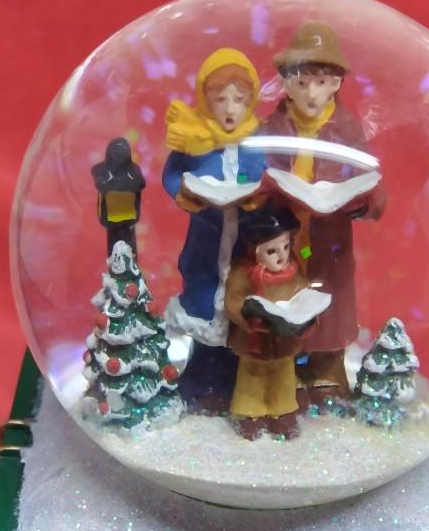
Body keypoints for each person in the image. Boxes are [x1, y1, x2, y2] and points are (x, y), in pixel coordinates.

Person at [262, 22, 385, 401]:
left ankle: (326, 371)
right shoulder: (272, 127)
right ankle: (283, 369)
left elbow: (368, 174)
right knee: (283, 294)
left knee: (330, 298)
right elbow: (253, 168)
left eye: (320, 82)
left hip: (328, 234)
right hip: (282, 233)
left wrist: (366, 197)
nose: (311, 93)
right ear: (286, 84)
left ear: (336, 84)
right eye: (301, 82)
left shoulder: (345, 129)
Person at [163, 48, 265, 408]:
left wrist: (256, 196)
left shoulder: (256, 144)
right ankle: (201, 379)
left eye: (238, 99)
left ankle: (235, 379)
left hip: (244, 244)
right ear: (205, 100)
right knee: (204, 303)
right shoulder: (193, 140)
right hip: (206, 241)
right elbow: (172, 175)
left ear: (250, 102)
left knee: (238, 308)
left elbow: (267, 175)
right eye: (220, 99)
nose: (230, 109)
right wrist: (186, 192)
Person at [224, 206, 315, 440]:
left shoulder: (293, 271)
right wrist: (249, 314)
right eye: (272, 251)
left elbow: (305, 293)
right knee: (251, 378)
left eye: (286, 247)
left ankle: (281, 412)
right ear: (254, 251)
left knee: (283, 377)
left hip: (283, 340)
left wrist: (306, 315)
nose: (281, 256)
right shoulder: (243, 273)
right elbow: (233, 301)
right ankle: (251, 413)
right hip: (253, 340)